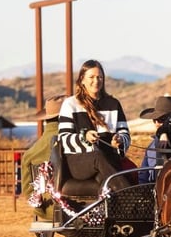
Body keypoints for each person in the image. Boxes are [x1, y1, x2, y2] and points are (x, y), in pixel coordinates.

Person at [57, 59, 132, 192]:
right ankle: (130, 196)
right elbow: (64, 138)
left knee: (105, 181)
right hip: (79, 162)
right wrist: (84, 137)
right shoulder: (70, 104)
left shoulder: (113, 104)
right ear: (82, 79)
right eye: (91, 77)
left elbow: (125, 134)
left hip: (108, 160)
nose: (96, 81)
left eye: (100, 77)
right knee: (98, 157)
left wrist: (119, 140)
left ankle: (118, 209)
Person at [22, 94, 65, 220]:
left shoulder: (30, 153)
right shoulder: (74, 143)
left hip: (46, 210)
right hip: (77, 208)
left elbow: (27, 191)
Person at [137, 95, 171, 184]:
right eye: (154, 119)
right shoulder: (151, 148)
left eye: (162, 119)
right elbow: (143, 175)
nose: (157, 123)